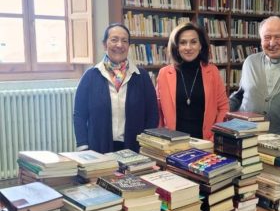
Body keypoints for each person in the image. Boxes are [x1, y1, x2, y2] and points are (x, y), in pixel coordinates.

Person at [74, 23, 158, 153]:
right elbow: (79, 114)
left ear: (128, 46)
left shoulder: (142, 77)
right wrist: (83, 145)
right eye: (114, 40)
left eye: (124, 41)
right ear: (104, 44)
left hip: (135, 148)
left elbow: (152, 114)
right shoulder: (90, 76)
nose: (119, 45)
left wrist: (147, 143)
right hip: (98, 149)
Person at [156, 22, 229, 140]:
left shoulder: (213, 72)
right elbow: (158, 110)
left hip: (205, 142)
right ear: (176, 47)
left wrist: (215, 135)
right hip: (172, 142)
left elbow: (223, 107)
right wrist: (161, 138)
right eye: (183, 42)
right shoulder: (164, 73)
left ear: (201, 45)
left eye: (193, 42)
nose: (188, 47)